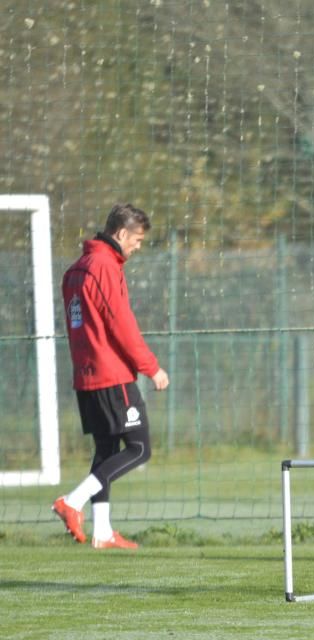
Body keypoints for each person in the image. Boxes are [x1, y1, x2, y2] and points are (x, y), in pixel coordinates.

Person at [52, 203, 170, 550]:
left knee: (105, 449)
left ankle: (102, 532)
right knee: (139, 448)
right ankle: (72, 502)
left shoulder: (76, 270)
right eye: (136, 240)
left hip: (86, 375)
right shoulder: (103, 266)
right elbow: (120, 323)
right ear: (120, 234)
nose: (137, 247)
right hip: (111, 374)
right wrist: (151, 367)